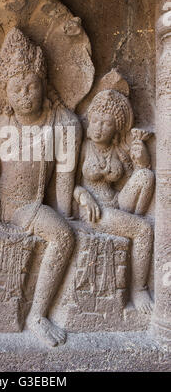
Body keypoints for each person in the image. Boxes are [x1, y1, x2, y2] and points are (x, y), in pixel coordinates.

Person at [0, 28, 82, 346]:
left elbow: (65, 179)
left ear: (44, 83)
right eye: (16, 88)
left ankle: (38, 314)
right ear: (5, 92)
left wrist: (70, 205)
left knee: (63, 234)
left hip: (28, 207)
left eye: (31, 85)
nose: (25, 93)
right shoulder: (1, 125)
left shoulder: (61, 124)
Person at [74, 89, 155, 314]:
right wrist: (83, 196)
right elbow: (67, 184)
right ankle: (139, 289)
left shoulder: (117, 150)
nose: (99, 128)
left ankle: (130, 230)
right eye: (96, 121)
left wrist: (142, 159)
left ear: (116, 129)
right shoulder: (83, 147)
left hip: (117, 203)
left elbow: (133, 179)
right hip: (94, 211)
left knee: (146, 176)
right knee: (144, 230)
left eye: (106, 124)